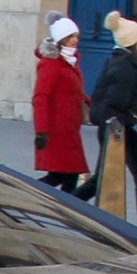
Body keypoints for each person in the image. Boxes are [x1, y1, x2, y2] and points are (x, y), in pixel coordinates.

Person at [88, 10, 137, 226]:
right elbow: (114, 102)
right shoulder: (124, 67)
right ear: (133, 42)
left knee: (101, 179)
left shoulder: (122, 64)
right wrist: (130, 121)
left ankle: (64, 205)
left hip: (119, 129)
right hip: (121, 130)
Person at [30, 15, 90, 197]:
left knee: (65, 175)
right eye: (71, 36)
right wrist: (41, 131)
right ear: (61, 39)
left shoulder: (70, 64)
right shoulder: (51, 64)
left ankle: (63, 211)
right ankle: (25, 194)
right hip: (55, 131)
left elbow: (74, 93)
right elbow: (40, 98)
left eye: (77, 36)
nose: (76, 40)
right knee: (62, 175)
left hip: (70, 130)